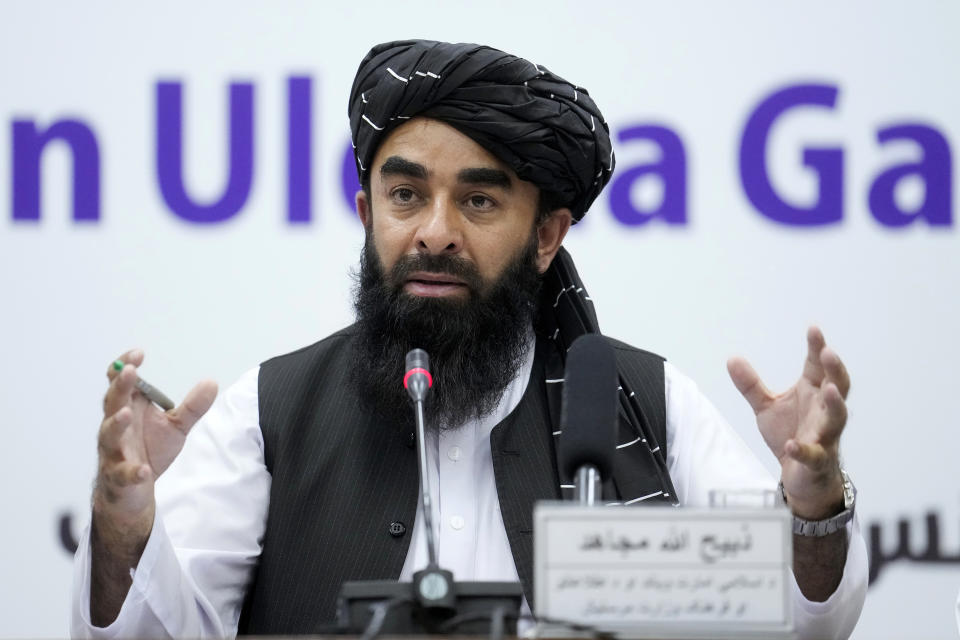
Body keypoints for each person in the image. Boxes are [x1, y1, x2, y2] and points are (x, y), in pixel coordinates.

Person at [72, 40, 867, 639]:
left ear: (548, 234)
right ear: (366, 214)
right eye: (407, 194)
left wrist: (813, 508)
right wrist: (121, 525)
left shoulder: (637, 407)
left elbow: (800, 625)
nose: (436, 233)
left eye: (479, 202)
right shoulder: (272, 413)